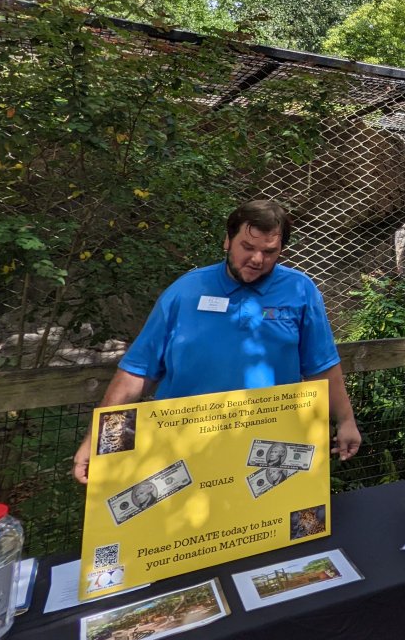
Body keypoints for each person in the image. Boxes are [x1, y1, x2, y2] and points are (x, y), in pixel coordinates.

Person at [73, 200, 360, 483]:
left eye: (269, 251)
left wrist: (346, 420)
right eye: (247, 247)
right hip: (182, 445)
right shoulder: (185, 291)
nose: (257, 259)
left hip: (268, 445)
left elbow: (321, 366)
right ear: (227, 241)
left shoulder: (300, 290)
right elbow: (137, 372)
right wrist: (97, 440)